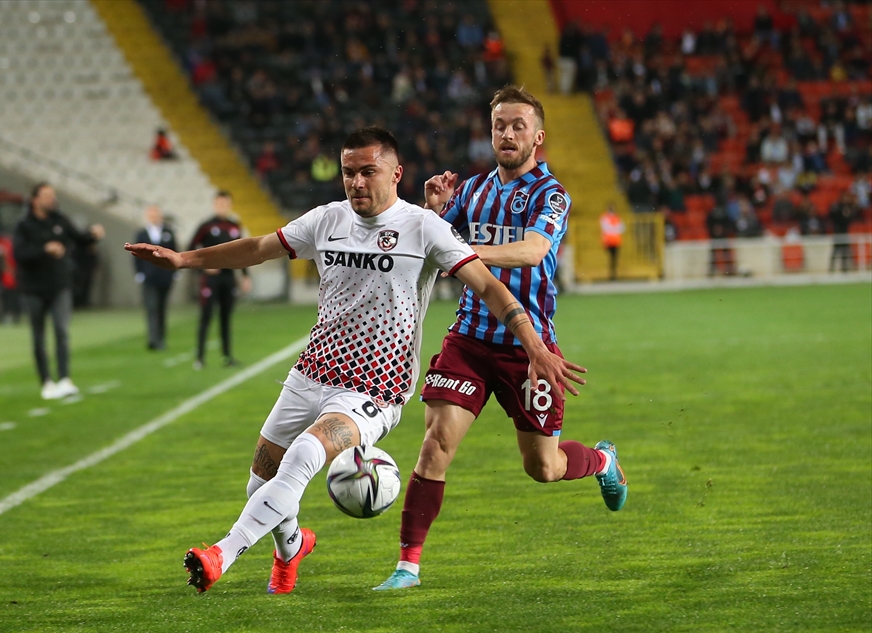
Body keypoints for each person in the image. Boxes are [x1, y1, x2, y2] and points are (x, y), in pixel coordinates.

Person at [126, 127, 583, 595]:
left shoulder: (424, 227)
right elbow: (260, 248)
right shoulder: (327, 219)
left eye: (369, 171)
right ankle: (291, 548)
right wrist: (183, 260)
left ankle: (222, 553)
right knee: (259, 483)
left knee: (304, 455)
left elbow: (489, 286)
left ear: (396, 173)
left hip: (375, 386)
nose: (357, 182)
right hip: (311, 372)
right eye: (349, 172)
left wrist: (534, 345)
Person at [374, 86, 626, 592]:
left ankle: (602, 460)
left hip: (528, 348)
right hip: (469, 339)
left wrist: (463, 250)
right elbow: (425, 248)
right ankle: (407, 567)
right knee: (435, 445)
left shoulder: (551, 195)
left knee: (543, 467)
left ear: (537, 136)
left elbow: (532, 251)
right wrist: (432, 212)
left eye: (517, 126)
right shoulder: (471, 190)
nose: (507, 134)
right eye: (498, 126)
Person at [12, 183, 101, 400]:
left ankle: (64, 378)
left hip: (59, 285)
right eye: (46, 195)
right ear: (35, 200)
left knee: (62, 331)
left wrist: (93, 235)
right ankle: (46, 381)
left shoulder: (60, 220)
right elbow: (19, 253)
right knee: (39, 335)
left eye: (53, 195)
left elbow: (79, 238)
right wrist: (44, 249)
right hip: (33, 288)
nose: (52, 199)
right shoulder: (24, 225)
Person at [189, 191, 251, 369]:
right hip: (210, 279)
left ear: (230, 205)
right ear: (214, 205)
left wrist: (245, 275)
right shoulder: (206, 226)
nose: (222, 207)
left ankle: (227, 356)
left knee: (226, 317)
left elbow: (241, 251)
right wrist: (204, 266)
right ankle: (200, 357)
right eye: (219, 203)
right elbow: (191, 247)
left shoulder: (234, 226)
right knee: (206, 316)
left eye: (225, 204)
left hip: (228, 277)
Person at [134, 205, 178, 350]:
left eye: (155, 214)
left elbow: (174, 251)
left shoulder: (168, 232)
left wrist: (175, 271)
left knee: (162, 308)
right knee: (151, 307)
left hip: (165, 275)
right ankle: (153, 339)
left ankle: (161, 338)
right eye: (151, 215)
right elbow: (135, 255)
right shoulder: (141, 233)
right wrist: (139, 272)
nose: (153, 217)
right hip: (149, 276)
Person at [599, 203, 625, 280]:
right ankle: (609, 274)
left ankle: (614, 274)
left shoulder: (617, 217)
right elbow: (606, 227)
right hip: (608, 240)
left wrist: (613, 229)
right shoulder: (605, 217)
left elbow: (622, 228)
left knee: (614, 258)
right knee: (608, 258)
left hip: (616, 241)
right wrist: (614, 229)